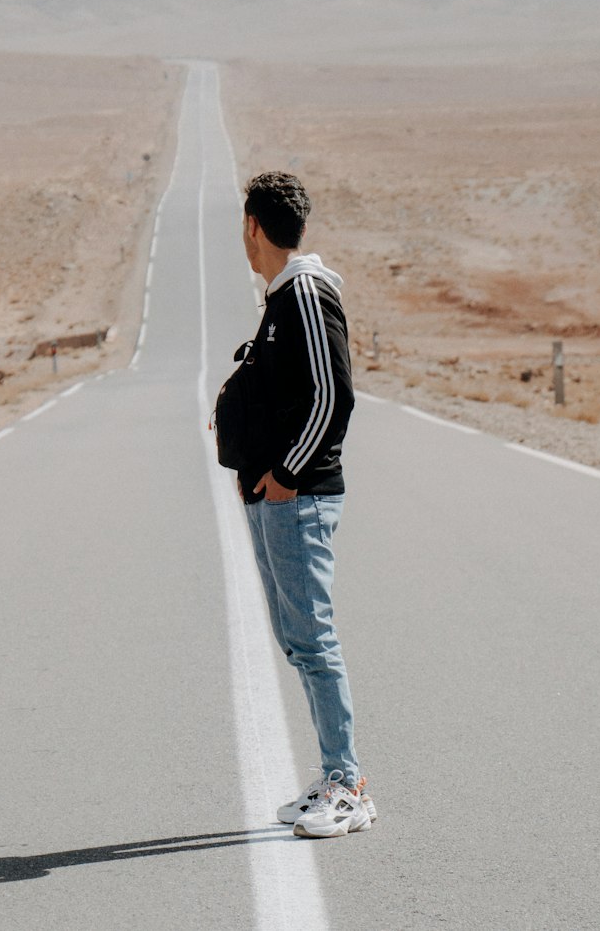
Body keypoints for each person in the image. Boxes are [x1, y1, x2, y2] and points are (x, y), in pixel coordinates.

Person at [231, 170, 375, 839]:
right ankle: (332, 777)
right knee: (299, 643)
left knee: (314, 640)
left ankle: (347, 786)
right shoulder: (283, 297)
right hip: (276, 499)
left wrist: (287, 473)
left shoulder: (308, 294)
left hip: (300, 499)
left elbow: (333, 395)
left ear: (253, 226)